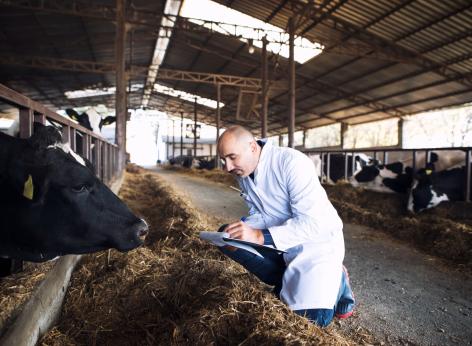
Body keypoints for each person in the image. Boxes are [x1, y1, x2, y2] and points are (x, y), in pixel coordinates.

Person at [217, 125, 355, 327]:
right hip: (282, 241)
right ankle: (286, 280)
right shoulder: (244, 172)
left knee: (311, 320)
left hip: (317, 243)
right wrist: (243, 227)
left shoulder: (291, 163)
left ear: (252, 147)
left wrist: (258, 236)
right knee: (227, 238)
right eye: (224, 160)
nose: (227, 167)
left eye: (232, 157)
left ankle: (337, 279)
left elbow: (313, 223)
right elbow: (261, 213)